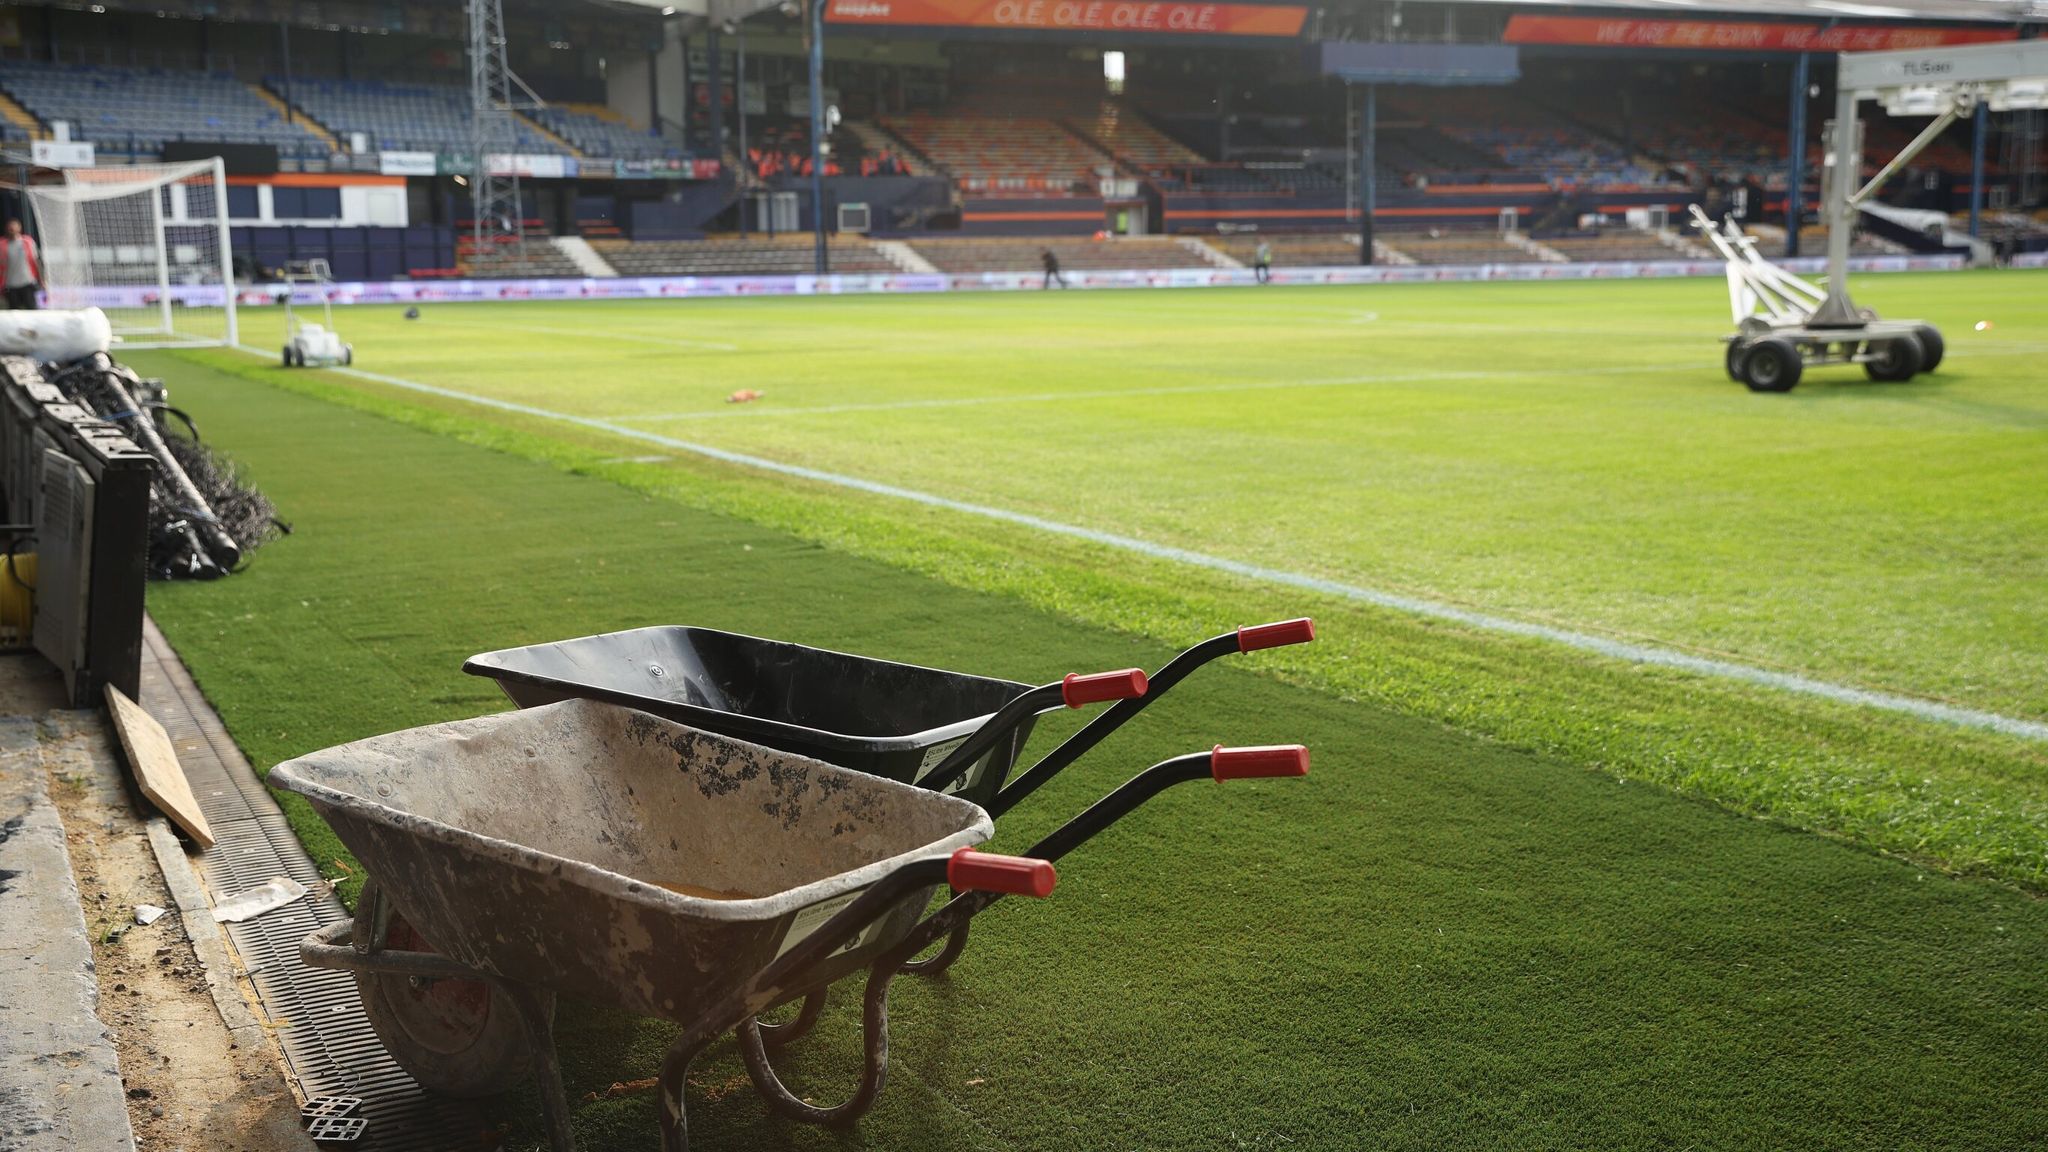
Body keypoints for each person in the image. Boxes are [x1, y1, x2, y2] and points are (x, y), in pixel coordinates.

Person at [1, 219, 43, 310]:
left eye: (13, 226)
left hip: (27, 282)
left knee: (31, 309)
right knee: (13, 313)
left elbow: (36, 261)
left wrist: (42, 280)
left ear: (19, 228)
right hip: (10, 285)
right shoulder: (2, 244)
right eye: (9, 227)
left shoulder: (27, 242)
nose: (11, 229)